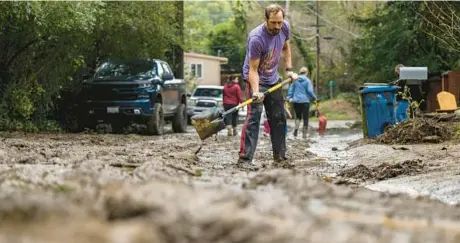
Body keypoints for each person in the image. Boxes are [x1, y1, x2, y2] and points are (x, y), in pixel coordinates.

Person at [238, 4, 298, 169]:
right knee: (254, 119)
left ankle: (280, 156)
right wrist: (256, 91)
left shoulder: (284, 28)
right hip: (255, 80)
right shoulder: (257, 38)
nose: (277, 26)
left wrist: (289, 70)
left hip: (273, 79)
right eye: (273, 23)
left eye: (279, 22)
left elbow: (286, 48)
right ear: (266, 20)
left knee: (279, 118)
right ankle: (244, 160)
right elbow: (252, 69)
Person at [286, 66, 317, 139]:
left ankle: (296, 130)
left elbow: (291, 89)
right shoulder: (307, 80)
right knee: (305, 118)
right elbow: (310, 91)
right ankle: (304, 134)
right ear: (306, 73)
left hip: (296, 101)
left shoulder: (295, 80)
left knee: (298, 116)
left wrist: (288, 97)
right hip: (305, 101)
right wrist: (314, 97)